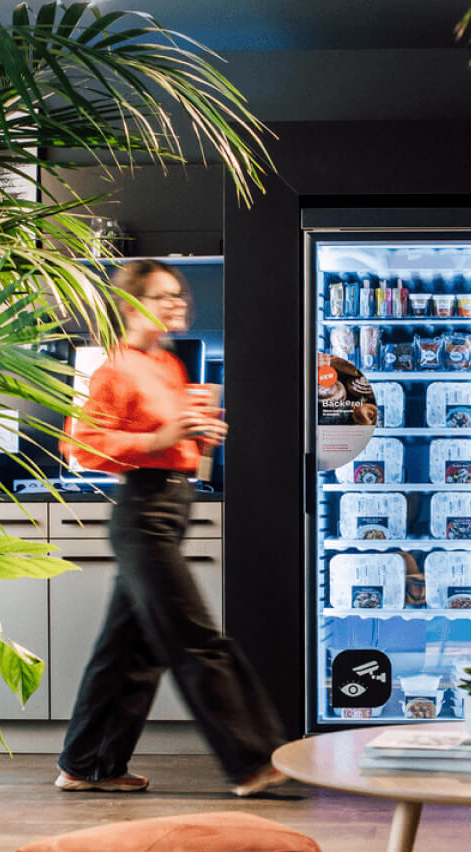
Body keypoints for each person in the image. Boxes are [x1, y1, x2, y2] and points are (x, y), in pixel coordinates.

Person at [56, 259, 288, 796]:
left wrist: (199, 437)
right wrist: (161, 440)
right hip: (144, 516)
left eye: (178, 294)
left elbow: (175, 441)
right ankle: (253, 760)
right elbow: (80, 448)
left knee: (129, 654)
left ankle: (88, 765)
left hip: (172, 507)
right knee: (195, 637)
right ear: (131, 305)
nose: (177, 302)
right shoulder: (114, 368)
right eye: (162, 295)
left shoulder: (167, 367)